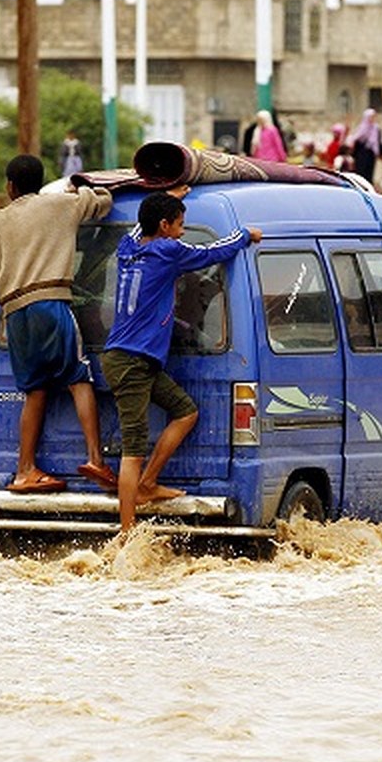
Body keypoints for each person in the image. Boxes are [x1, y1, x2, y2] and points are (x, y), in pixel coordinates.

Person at [101, 191, 262, 533]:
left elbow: (135, 229)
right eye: (180, 225)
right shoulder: (167, 251)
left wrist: (167, 197)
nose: (182, 232)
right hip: (132, 361)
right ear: (164, 225)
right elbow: (213, 252)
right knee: (132, 448)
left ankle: (149, 483)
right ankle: (127, 533)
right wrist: (246, 235)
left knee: (185, 411)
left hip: (132, 360)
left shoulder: (128, 248)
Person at [0, 154, 117, 494]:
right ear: (41, 182)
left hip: (14, 313)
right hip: (49, 302)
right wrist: (81, 188)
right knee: (78, 377)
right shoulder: (60, 205)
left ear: (10, 187)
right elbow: (102, 202)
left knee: (35, 390)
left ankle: (24, 470)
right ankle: (95, 460)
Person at [347, 108, 382, 186]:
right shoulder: (361, 128)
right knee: (361, 174)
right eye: (371, 117)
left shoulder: (376, 129)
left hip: (371, 154)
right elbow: (356, 141)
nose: (373, 119)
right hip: (361, 154)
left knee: (369, 174)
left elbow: (378, 142)